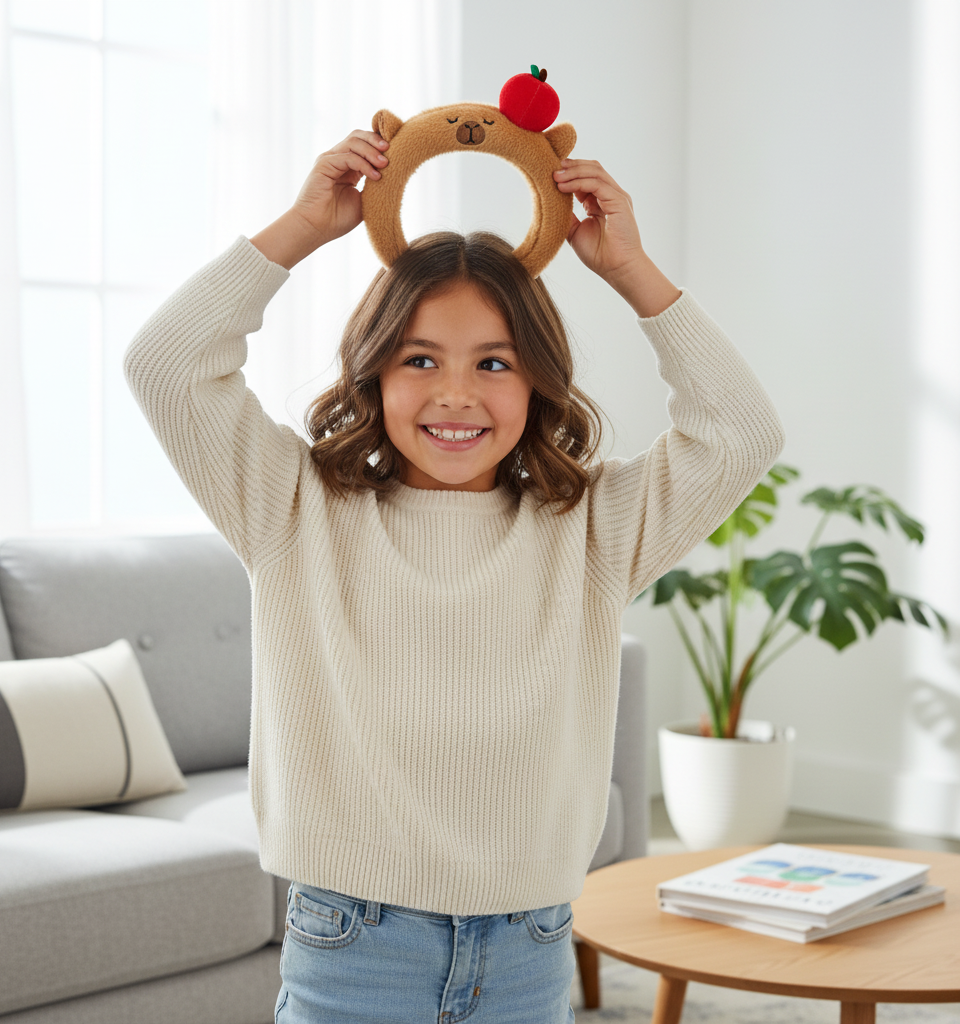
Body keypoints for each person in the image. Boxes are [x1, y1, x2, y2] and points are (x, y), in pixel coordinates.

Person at [124, 129, 784, 1024]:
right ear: (375, 372)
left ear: (538, 380)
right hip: (354, 947)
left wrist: (632, 271)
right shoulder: (290, 506)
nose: (457, 396)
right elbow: (167, 365)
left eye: (495, 363)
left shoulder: (589, 528)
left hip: (532, 949)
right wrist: (303, 227)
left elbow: (741, 433)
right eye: (421, 359)